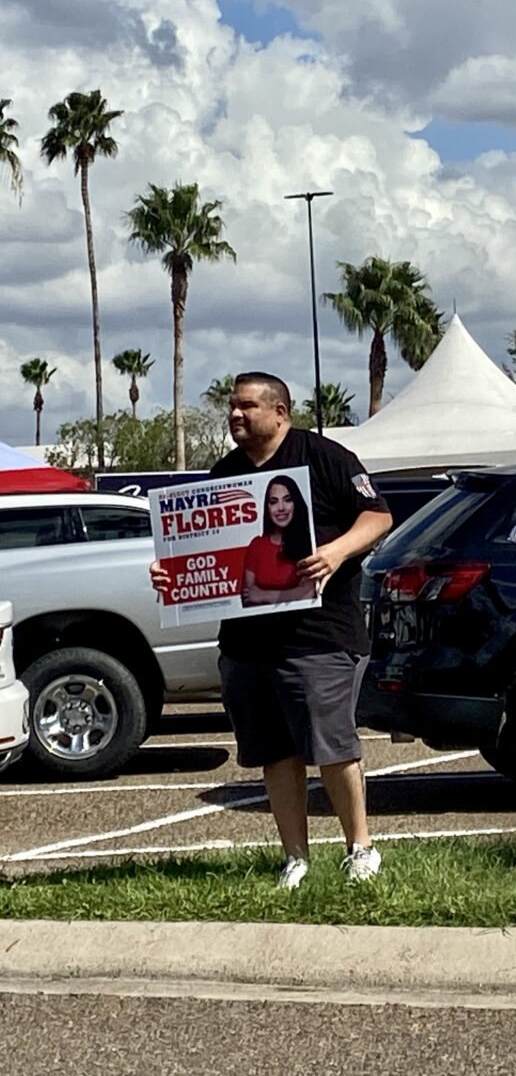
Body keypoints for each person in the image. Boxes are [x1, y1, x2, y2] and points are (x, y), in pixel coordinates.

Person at [151, 372, 393, 889]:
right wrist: (171, 574)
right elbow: (206, 557)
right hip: (246, 646)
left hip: (319, 638)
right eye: (231, 407)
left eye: (247, 406)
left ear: (280, 412)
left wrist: (335, 552)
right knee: (274, 754)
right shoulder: (226, 474)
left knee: (332, 748)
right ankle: (295, 859)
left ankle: (361, 849)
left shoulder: (325, 458)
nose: (235, 415)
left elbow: (377, 517)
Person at [241, 475, 319, 607]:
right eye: (273, 502)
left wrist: (264, 595)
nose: (281, 508)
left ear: (296, 503)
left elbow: (309, 593)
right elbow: (249, 596)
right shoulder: (257, 545)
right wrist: (292, 594)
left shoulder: (309, 542)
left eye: (287, 500)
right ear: (267, 507)